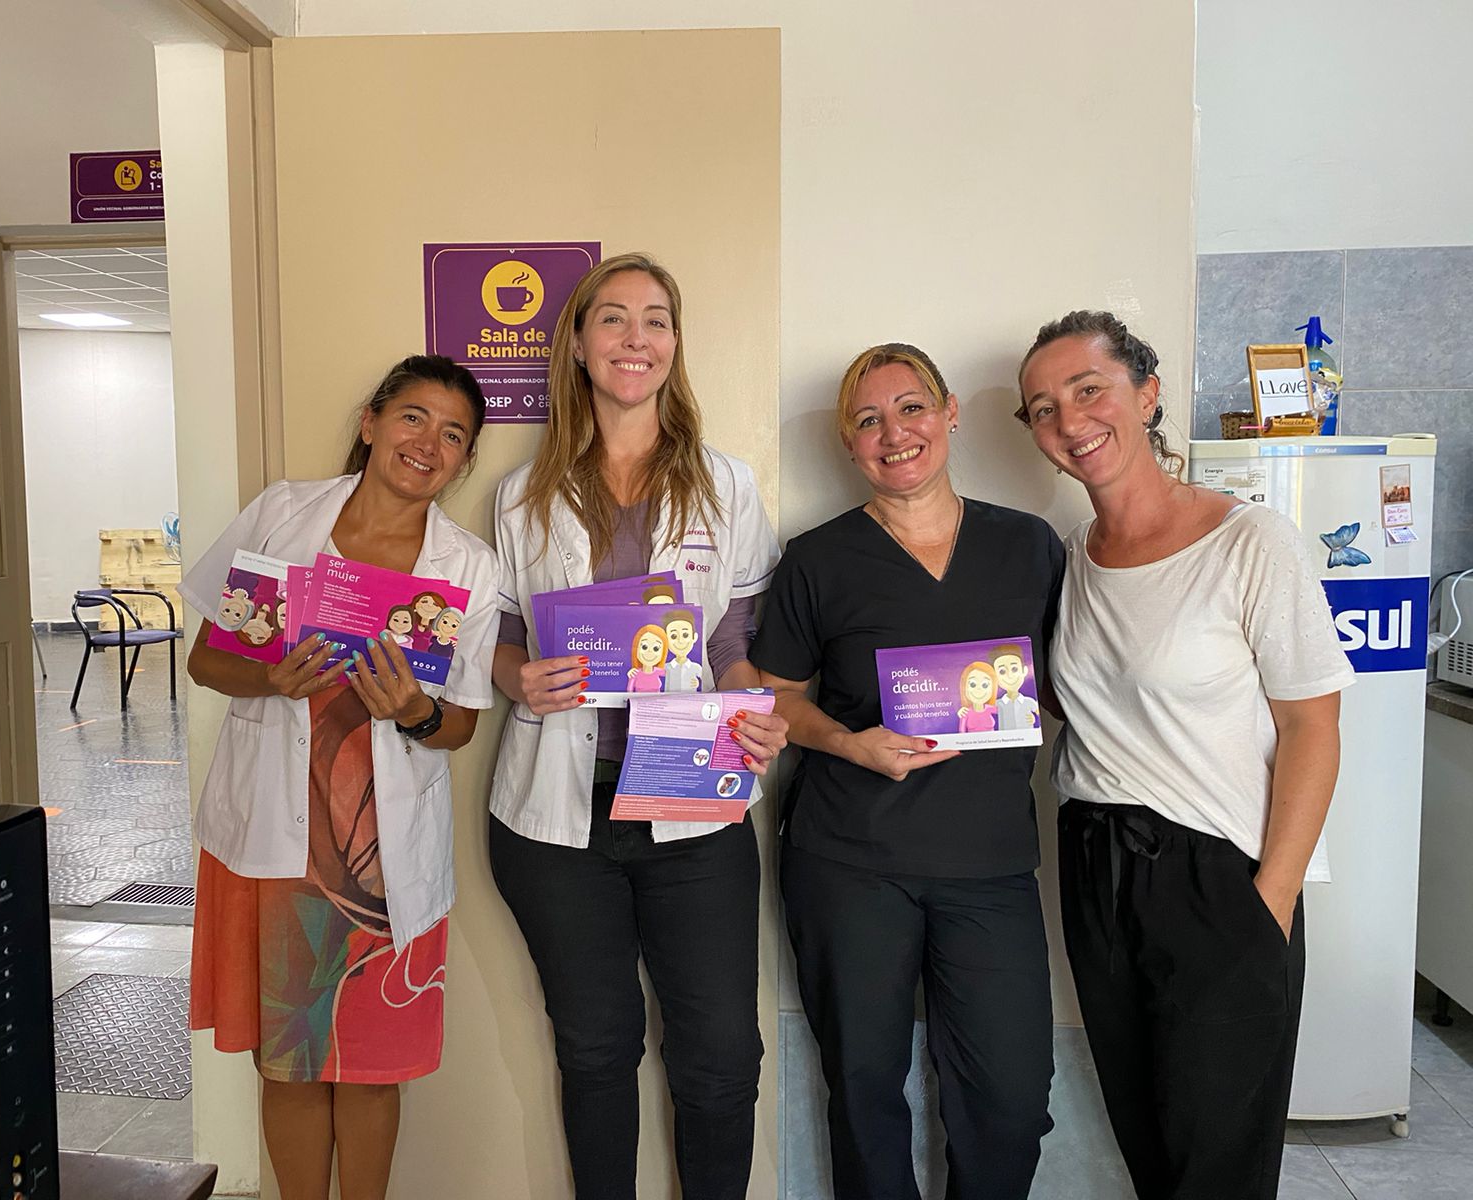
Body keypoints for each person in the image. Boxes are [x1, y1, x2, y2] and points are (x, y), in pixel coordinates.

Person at [1016, 310, 1353, 1200]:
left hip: (1219, 876)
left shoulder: (1251, 540)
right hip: (1096, 867)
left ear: (1147, 394)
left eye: (1090, 390)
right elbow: (1075, 702)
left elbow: (1313, 728)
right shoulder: (1071, 559)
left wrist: (1268, 904)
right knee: (1150, 1143)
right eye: (1044, 408)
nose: (1071, 420)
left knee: (1219, 1162)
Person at [488, 252, 788, 1200]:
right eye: (613, 318)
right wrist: (517, 677)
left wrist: (752, 710)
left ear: (675, 343)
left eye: (656, 319)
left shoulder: (725, 483)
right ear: (579, 344)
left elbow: (732, 636)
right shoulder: (522, 493)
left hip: (692, 796)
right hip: (558, 819)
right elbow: (500, 635)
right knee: (594, 1047)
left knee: (722, 1054)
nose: (636, 337)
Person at [181, 355, 499, 1200]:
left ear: (464, 460)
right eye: (412, 417)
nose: (427, 443)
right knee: (289, 1062)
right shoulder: (283, 515)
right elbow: (207, 660)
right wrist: (272, 678)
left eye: (453, 434)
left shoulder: (467, 567)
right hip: (275, 841)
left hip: (380, 857)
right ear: (371, 422)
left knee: (369, 1068)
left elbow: (461, 722)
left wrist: (415, 712)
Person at [752, 343, 1062, 1200]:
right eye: (868, 420)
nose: (895, 433)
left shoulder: (1028, 546)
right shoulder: (818, 559)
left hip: (989, 865)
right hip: (850, 862)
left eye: (912, 408)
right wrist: (850, 742)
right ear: (849, 445)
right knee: (863, 1089)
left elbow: (1075, 679)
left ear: (950, 412)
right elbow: (776, 697)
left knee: (1010, 1099)